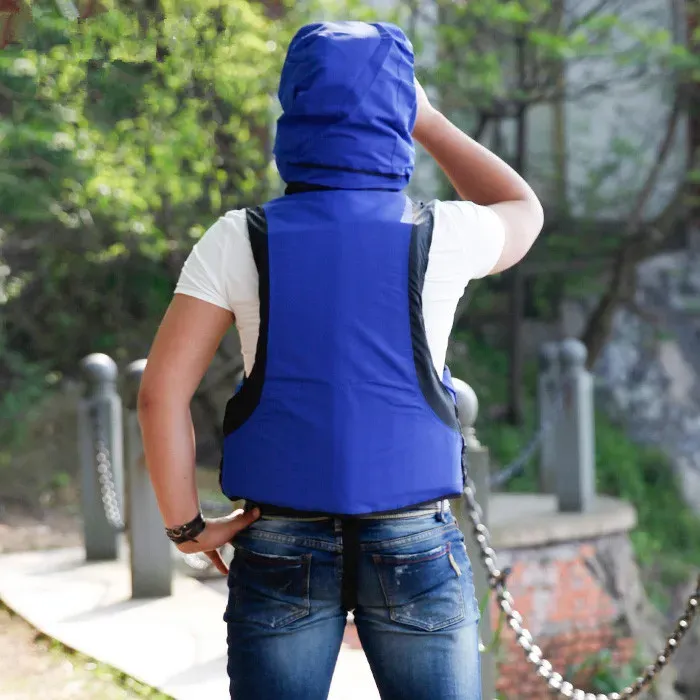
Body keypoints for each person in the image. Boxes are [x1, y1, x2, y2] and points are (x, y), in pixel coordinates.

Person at [138, 21, 543, 700]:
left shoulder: (239, 237)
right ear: (398, 111)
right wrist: (428, 119)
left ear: (292, 109)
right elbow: (522, 207)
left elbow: (159, 394)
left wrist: (186, 526)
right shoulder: (444, 231)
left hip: (277, 535)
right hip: (415, 537)